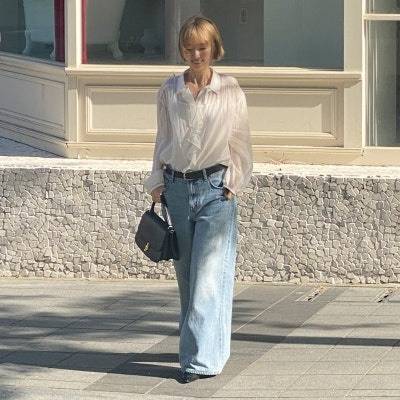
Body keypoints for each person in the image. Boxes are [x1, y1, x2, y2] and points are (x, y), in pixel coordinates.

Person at [144, 15, 253, 384]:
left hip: (215, 190)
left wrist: (233, 185)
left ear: (214, 48)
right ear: (182, 50)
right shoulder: (169, 90)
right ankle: (209, 351)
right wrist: (156, 181)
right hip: (176, 189)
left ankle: (196, 362)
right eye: (189, 47)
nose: (195, 54)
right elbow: (162, 138)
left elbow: (240, 142)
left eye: (202, 47)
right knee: (189, 279)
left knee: (208, 278)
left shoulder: (230, 90)